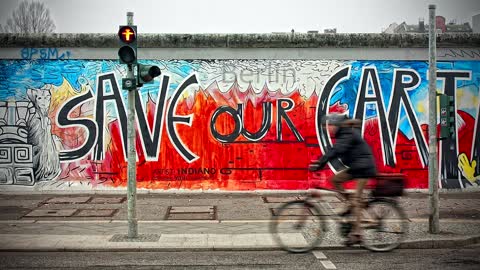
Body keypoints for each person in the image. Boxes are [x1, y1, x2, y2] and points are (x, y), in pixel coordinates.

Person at [309, 114, 377, 246]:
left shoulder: (347, 134)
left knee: (357, 200)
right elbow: (337, 151)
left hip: (363, 169)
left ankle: (357, 234)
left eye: (329, 126)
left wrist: (320, 163)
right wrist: (321, 164)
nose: (328, 129)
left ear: (336, 125)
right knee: (335, 180)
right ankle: (350, 202)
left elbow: (336, 150)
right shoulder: (343, 134)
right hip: (356, 167)